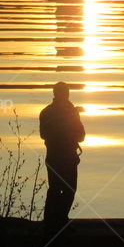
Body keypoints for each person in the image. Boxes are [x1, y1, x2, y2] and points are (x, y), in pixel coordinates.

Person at [39, 82, 85, 235]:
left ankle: (51, 223)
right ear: (66, 94)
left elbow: (43, 134)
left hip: (52, 157)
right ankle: (59, 222)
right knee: (68, 190)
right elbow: (81, 135)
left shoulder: (45, 112)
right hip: (67, 157)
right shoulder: (71, 112)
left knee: (55, 189)